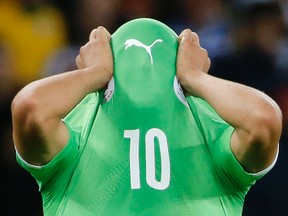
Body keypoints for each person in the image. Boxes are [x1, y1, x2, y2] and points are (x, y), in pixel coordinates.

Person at [11, 18, 282, 215]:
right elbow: (30, 109)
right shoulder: (79, 132)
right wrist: (195, 77)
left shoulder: (209, 132)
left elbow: (264, 121)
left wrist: (96, 72)